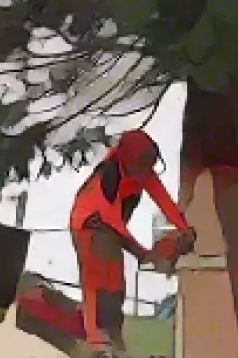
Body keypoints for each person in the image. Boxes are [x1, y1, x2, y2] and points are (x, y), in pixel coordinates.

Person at [69, 129, 195, 357]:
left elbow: (163, 200)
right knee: (96, 279)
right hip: (90, 224)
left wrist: (183, 228)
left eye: (150, 166)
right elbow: (113, 222)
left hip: (112, 225)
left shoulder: (142, 171)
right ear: (129, 161)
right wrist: (142, 253)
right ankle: (96, 341)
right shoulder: (109, 176)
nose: (148, 172)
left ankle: (114, 336)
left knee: (116, 282)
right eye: (144, 166)